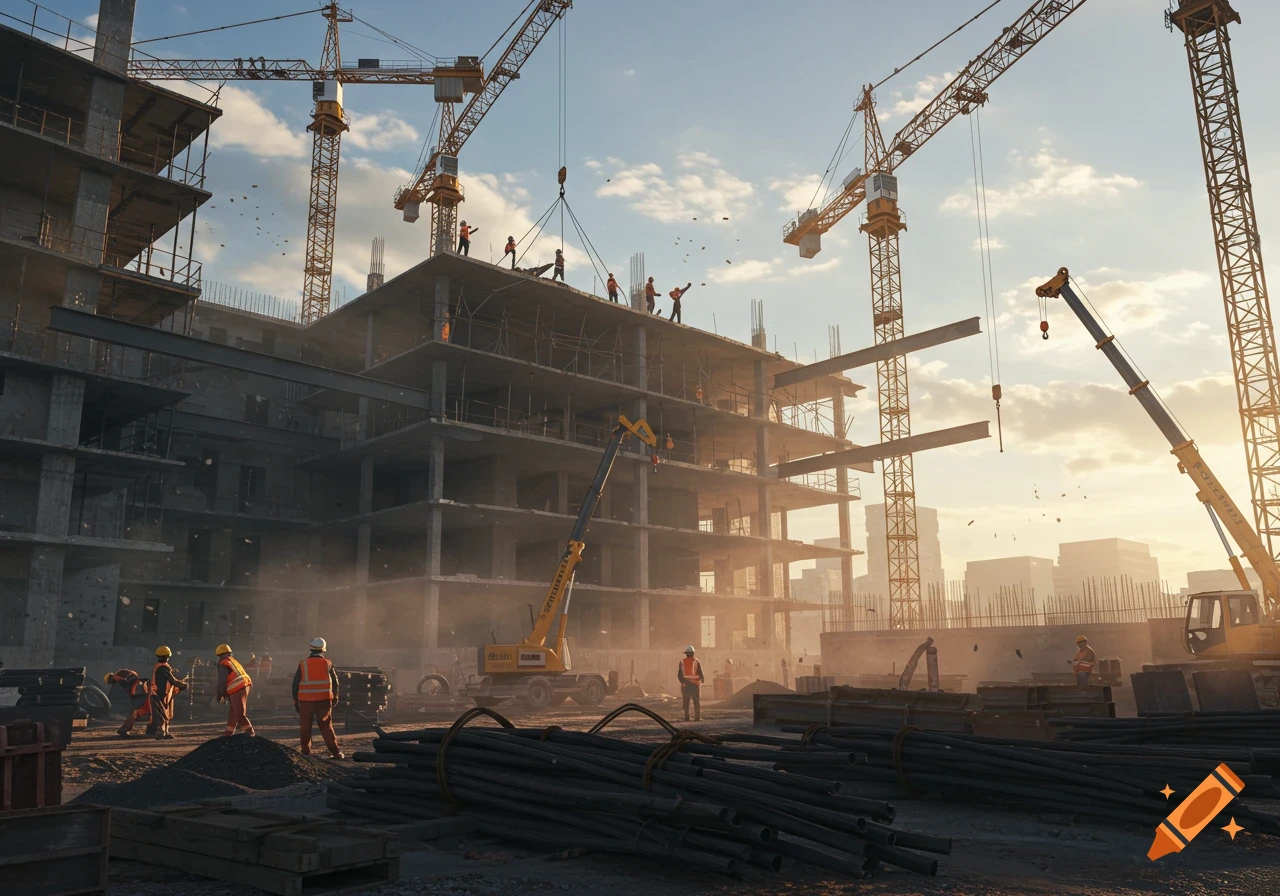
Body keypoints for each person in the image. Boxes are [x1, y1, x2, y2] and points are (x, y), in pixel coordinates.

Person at [292, 637, 344, 759]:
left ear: (311, 649)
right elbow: (335, 682)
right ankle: (336, 752)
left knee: (305, 726)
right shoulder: (328, 663)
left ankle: (305, 753)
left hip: (306, 701)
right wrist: (335, 696)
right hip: (324, 701)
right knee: (326, 726)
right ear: (323, 649)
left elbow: (295, 684)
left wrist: (295, 701)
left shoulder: (303, 664)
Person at [147, 645, 188, 739]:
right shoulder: (164, 668)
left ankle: (165, 731)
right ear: (167, 657)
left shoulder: (158, 666)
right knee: (162, 714)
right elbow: (172, 680)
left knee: (165, 713)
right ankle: (160, 732)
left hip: (160, 694)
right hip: (159, 695)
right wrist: (182, 684)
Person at [214, 643, 255, 737]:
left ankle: (249, 731)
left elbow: (222, 681)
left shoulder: (223, 663)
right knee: (234, 709)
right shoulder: (233, 661)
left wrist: (219, 695)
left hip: (238, 687)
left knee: (239, 712)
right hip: (246, 684)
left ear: (219, 655)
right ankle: (229, 730)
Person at [105, 668, 151, 737]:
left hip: (139, 692)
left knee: (134, 712)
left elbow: (134, 676)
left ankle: (124, 730)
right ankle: (151, 729)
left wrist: (124, 679)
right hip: (138, 694)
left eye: (113, 680)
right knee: (138, 712)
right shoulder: (121, 681)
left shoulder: (121, 674)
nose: (114, 681)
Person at [677, 645, 704, 722]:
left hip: (686, 685)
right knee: (696, 702)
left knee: (686, 701)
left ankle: (686, 718)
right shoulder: (697, 661)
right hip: (695, 685)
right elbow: (700, 673)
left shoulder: (682, 662)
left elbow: (679, 675)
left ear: (686, 653)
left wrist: (682, 682)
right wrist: (701, 680)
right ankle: (697, 718)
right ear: (693, 653)